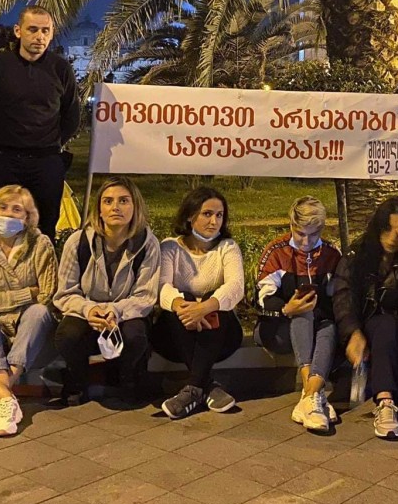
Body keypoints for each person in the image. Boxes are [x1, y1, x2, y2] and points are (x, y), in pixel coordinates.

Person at [333, 197, 398, 441]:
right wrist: (352, 332)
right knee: (385, 326)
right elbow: (343, 295)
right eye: (388, 229)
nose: (393, 237)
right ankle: (385, 402)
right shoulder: (359, 252)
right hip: (375, 319)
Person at [52, 176, 160, 407]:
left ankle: (126, 379)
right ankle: (77, 380)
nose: (115, 207)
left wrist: (114, 311)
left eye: (123, 201)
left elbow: (145, 297)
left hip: (126, 312)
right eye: (108, 201)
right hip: (87, 311)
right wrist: (89, 310)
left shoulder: (148, 244)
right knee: (67, 335)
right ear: (99, 209)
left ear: (135, 206)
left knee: (135, 335)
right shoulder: (78, 242)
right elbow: (65, 293)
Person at [0, 5, 80, 242]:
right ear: (18, 31)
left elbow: (72, 116)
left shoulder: (61, 69)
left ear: (52, 33)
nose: (39, 36)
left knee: (44, 228)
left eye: (45, 31)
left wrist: (52, 142)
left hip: (46, 162)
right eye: (33, 29)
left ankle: (41, 266)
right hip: (3, 160)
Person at [0, 185, 58, 437]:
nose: (7, 214)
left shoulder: (41, 244)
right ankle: (6, 398)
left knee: (38, 312)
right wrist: (27, 293)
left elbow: (47, 294)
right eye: (2, 207)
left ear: (27, 217)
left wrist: (21, 301)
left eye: (17, 209)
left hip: (32, 331)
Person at [153, 187, 245, 419]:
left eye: (219, 215)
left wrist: (204, 308)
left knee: (216, 298)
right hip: (174, 337)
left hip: (221, 337)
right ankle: (205, 385)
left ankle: (193, 388)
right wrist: (182, 307)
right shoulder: (170, 247)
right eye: (207, 214)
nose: (214, 221)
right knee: (179, 299)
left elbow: (235, 287)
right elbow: (161, 287)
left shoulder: (228, 247)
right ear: (189, 215)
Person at [254, 196, 343, 432]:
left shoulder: (331, 254)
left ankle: (310, 396)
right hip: (279, 328)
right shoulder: (276, 251)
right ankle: (314, 394)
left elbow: (338, 299)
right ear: (291, 226)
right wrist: (286, 309)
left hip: (319, 326)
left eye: (313, 235)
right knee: (302, 315)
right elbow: (260, 300)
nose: (306, 241)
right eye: (300, 234)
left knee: (328, 326)